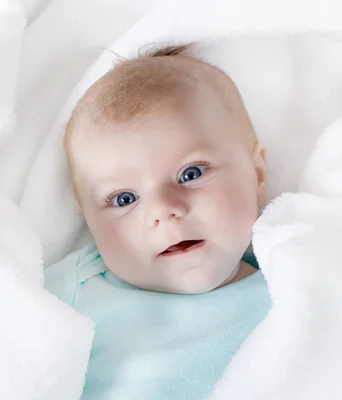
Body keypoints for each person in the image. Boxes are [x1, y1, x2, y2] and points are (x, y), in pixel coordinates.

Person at [45, 44, 270, 400]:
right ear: (87, 219)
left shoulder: (294, 279)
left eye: (191, 173)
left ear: (257, 173)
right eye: (124, 199)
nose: (164, 209)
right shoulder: (71, 293)